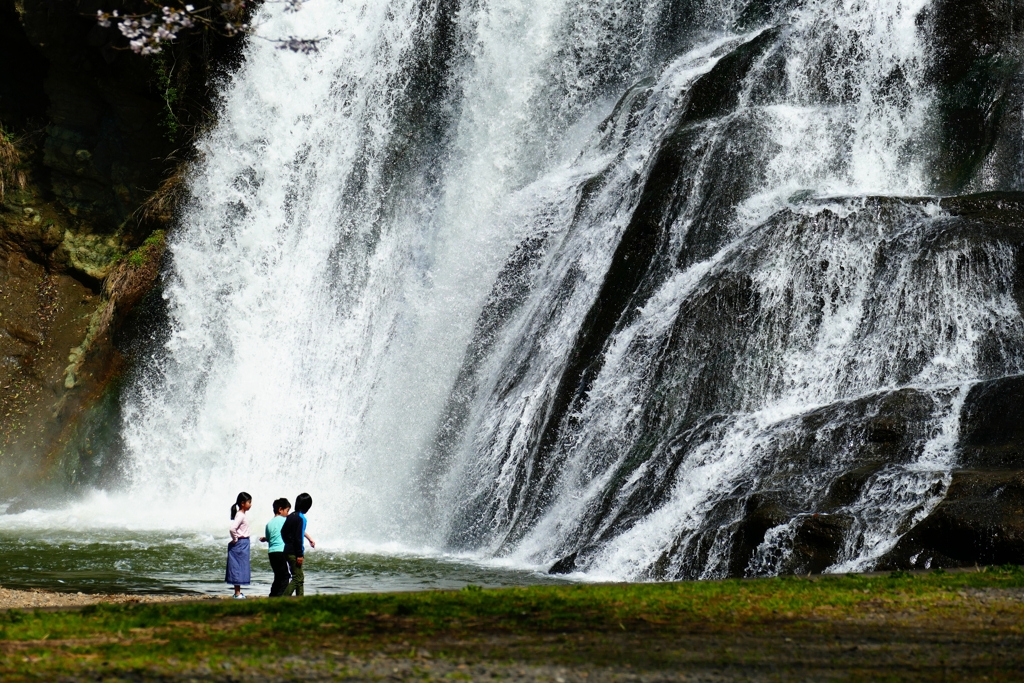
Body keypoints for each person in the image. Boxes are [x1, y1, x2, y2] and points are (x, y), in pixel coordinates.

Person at [281, 492, 314, 597]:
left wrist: (288, 543)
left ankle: (300, 599)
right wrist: (299, 554)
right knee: (298, 578)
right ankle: (283, 599)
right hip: (294, 552)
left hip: (287, 550)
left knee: (299, 577)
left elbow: (283, 532)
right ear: (307, 507)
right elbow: (298, 537)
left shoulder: (290, 516)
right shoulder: (301, 518)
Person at [259, 498, 291, 597]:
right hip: (281, 551)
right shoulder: (284, 520)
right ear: (280, 509)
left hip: (272, 552)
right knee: (285, 576)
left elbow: (269, 538)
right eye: (287, 511)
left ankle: (272, 596)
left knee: (278, 576)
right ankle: (281, 597)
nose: (288, 514)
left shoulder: (268, 524)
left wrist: (264, 539)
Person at [226, 491, 253, 599]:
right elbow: (232, 528)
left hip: (242, 543)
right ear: (243, 503)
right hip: (241, 543)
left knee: (239, 567)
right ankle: (237, 594)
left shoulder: (241, 515)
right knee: (238, 567)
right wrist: (235, 539)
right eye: (249, 502)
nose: (250, 504)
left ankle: (238, 593)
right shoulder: (241, 515)